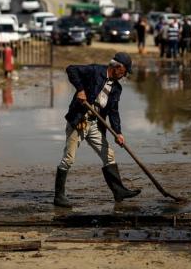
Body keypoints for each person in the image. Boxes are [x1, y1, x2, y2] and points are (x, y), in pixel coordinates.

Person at [54, 52, 142, 208]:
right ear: (117, 67)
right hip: (79, 121)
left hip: (94, 124)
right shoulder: (95, 71)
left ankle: (118, 191)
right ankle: (59, 196)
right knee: (69, 158)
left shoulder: (116, 88)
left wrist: (118, 132)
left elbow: (113, 111)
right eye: (125, 71)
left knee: (108, 155)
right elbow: (71, 69)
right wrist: (80, 89)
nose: (125, 75)